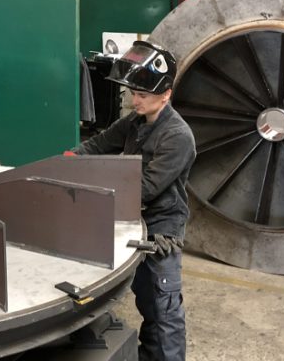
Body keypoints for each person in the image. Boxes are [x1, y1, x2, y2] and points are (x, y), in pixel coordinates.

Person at [72, 40, 195, 361]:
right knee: (146, 299)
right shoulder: (134, 123)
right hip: (133, 225)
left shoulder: (177, 137)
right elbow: (98, 144)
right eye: (133, 94)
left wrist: (93, 193)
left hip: (160, 232)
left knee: (163, 309)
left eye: (142, 95)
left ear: (166, 94)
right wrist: (69, 160)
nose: (134, 100)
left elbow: (147, 187)